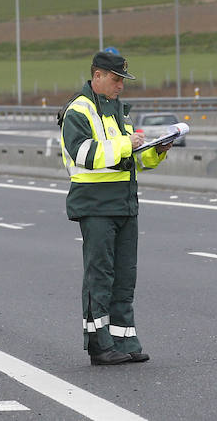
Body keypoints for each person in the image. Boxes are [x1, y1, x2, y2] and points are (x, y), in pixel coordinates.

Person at [58, 51, 174, 366]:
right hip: (95, 203)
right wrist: (127, 144)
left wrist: (156, 151)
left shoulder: (119, 114)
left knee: (124, 275)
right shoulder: (78, 111)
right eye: (115, 79)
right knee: (101, 274)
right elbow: (83, 153)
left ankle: (124, 341)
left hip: (124, 202)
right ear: (97, 76)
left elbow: (132, 160)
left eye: (123, 80)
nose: (120, 85)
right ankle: (99, 344)